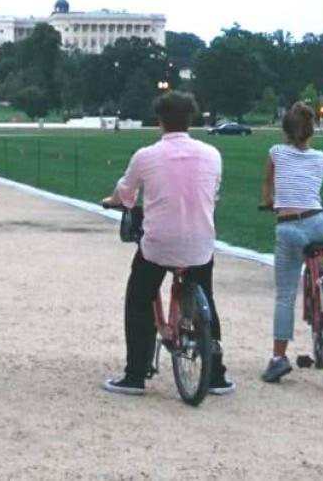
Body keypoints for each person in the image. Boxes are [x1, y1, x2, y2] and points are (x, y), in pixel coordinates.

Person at [100, 91, 233, 396]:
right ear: (191, 119)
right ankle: (216, 375)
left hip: (159, 243)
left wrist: (112, 202)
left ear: (159, 120)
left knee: (139, 298)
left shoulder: (146, 156)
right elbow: (213, 193)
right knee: (207, 299)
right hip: (200, 241)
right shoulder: (212, 154)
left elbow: (125, 193)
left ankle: (136, 374)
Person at [258, 101, 323, 384]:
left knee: (284, 296)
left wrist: (267, 202)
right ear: (311, 131)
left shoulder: (276, 153)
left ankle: (279, 359)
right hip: (319, 224)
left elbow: (268, 183)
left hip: (288, 229)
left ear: (285, 132)